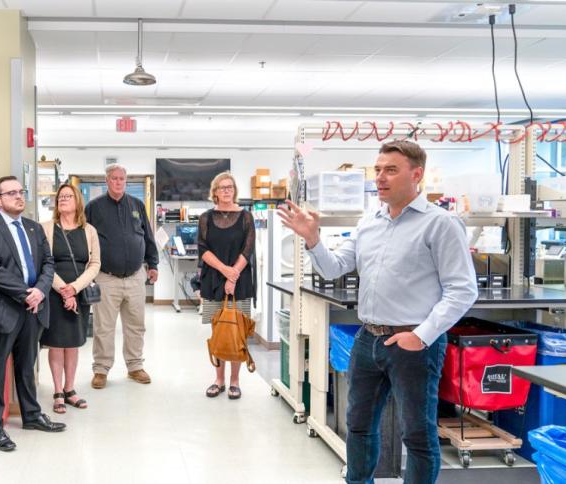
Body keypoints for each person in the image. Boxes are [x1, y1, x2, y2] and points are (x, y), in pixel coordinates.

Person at [278, 140, 478, 484]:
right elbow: (334, 268)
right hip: (368, 339)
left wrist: (422, 335)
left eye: (391, 170)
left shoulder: (441, 224)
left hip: (413, 344)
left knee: (416, 435)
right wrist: (313, 239)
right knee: (358, 426)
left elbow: (463, 290)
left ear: (417, 174)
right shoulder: (370, 220)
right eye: (378, 170)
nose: (380, 178)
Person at [0, 175, 65, 453]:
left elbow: (49, 263)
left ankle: (32, 416)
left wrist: (39, 290)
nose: (18, 196)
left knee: (27, 367)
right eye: (10, 193)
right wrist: (26, 292)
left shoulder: (34, 228)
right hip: (3, 309)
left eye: (20, 191)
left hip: (34, 310)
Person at [84, 163, 159, 389]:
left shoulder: (136, 205)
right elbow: (85, 239)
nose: (118, 182)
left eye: (122, 179)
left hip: (136, 276)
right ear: (107, 180)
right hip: (106, 277)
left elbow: (148, 236)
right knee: (104, 326)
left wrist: (153, 264)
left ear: (126, 181)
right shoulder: (93, 207)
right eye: (114, 178)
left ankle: (135, 366)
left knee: (136, 325)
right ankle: (101, 369)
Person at [40, 184, 101, 413]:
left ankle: (70, 389)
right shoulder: (45, 229)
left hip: (80, 292)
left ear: (77, 201)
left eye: (68, 196)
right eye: (60, 197)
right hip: (54, 293)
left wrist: (74, 289)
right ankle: (57, 391)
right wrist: (63, 289)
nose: (63, 199)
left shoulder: (89, 231)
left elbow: (95, 264)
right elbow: (43, 262)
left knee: (73, 343)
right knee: (56, 343)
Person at [198, 172, 256, 400]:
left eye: (229, 187)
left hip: (240, 281)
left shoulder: (246, 217)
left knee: (237, 332)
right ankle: (219, 380)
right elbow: (203, 250)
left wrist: (233, 276)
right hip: (214, 281)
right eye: (222, 187)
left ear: (234, 190)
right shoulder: (205, 218)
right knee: (219, 331)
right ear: (215, 192)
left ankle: (235, 381)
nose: (226, 191)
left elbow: (248, 250)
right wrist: (225, 272)